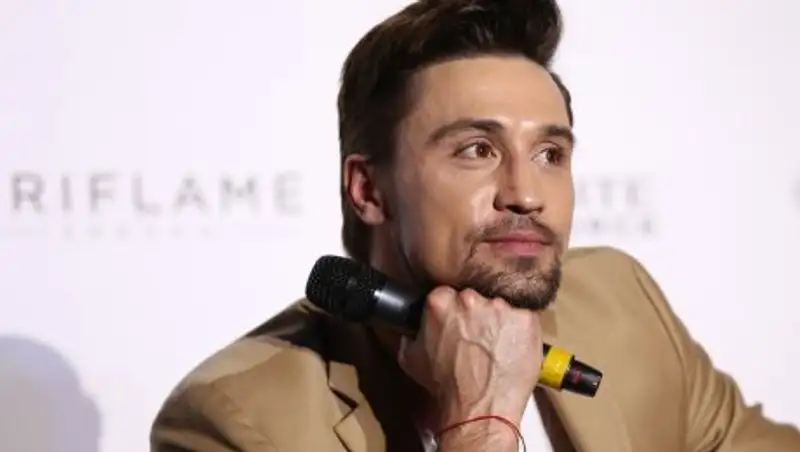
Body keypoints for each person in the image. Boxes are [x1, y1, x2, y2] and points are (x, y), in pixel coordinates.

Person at [150, 0, 800, 451]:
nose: (527, 194)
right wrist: (480, 423)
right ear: (368, 190)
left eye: (550, 154)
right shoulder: (236, 422)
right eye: (477, 150)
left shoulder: (619, 301)